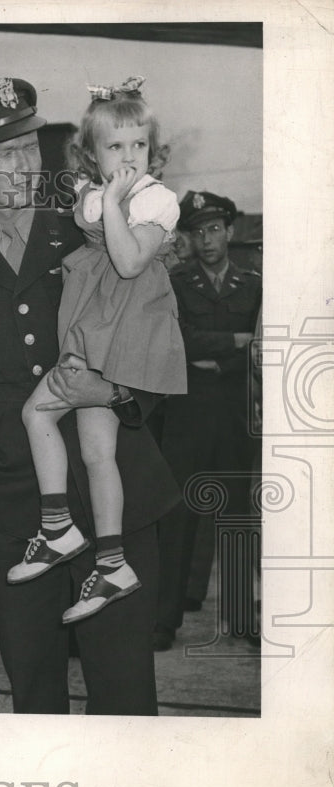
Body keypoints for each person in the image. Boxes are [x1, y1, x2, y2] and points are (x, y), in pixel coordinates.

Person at [0, 77, 178, 715]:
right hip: (11, 506)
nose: (22, 165)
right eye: (3, 152)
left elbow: (160, 342)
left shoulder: (92, 232)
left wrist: (111, 391)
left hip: (115, 495)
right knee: (34, 694)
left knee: (125, 694)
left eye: (30, 148)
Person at [13, 77, 186, 624]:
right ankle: (111, 562)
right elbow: (89, 218)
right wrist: (105, 197)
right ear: (91, 152)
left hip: (128, 325)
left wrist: (113, 198)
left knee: (36, 411)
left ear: (152, 147)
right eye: (115, 146)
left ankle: (58, 526)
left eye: (138, 144)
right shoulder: (93, 195)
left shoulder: (157, 199)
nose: (129, 156)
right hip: (94, 323)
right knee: (94, 450)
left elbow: (131, 261)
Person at [153, 191, 262, 651]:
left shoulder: (253, 284)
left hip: (234, 417)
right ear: (189, 237)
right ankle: (164, 620)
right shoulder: (175, 283)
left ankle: (240, 616)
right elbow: (176, 340)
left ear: (230, 231)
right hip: (187, 417)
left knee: (237, 514)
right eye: (198, 231)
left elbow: (262, 346)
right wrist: (233, 342)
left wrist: (221, 353)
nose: (207, 238)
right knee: (178, 518)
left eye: (215, 228)